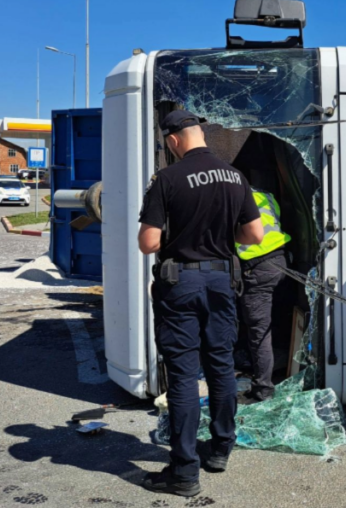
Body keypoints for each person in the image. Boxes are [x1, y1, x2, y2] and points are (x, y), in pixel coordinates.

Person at [137, 110, 264, 498]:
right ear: (200, 135)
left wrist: (183, 235)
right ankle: (221, 448)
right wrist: (219, 236)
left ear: (173, 140)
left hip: (182, 284)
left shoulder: (168, 179)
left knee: (183, 375)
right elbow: (255, 235)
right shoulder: (235, 176)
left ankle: (184, 472)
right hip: (222, 281)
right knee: (221, 365)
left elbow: (148, 243)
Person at [235, 185, 291, 403]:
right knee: (271, 321)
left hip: (257, 266)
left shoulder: (233, 197)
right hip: (279, 260)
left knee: (258, 331)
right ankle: (276, 364)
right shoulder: (265, 194)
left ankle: (263, 389)